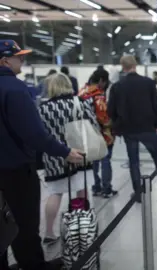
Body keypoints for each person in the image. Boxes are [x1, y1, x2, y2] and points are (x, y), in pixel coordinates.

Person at [0, 40, 84, 270]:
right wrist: (64, 152)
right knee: (24, 224)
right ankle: (33, 265)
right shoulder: (15, 89)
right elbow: (33, 133)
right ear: (5, 61)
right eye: (19, 57)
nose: (22, 60)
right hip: (16, 171)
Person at [38, 73, 98, 245]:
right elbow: (92, 125)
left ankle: (49, 232)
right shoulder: (80, 103)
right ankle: (82, 227)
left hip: (54, 156)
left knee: (55, 192)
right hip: (79, 154)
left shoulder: (43, 108)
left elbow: (40, 134)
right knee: (81, 188)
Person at [108, 55, 157, 202]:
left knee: (134, 161)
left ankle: (138, 192)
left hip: (128, 130)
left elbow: (111, 110)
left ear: (122, 66)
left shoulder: (117, 86)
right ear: (135, 65)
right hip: (147, 127)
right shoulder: (148, 83)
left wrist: (118, 125)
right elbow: (156, 106)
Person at [79, 68, 117, 198]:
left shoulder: (82, 91)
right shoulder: (98, 94)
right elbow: (103, 117)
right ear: (101, 80)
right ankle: (107, 189)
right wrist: (112, 125)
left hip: (86, 132)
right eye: (105, 83)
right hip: (101, 133)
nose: (105, 86)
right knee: (105, 160)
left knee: (94, 161)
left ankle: (96, 187)